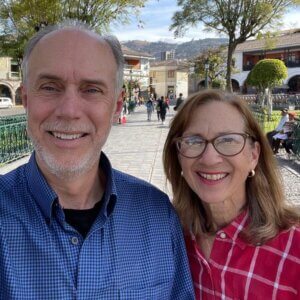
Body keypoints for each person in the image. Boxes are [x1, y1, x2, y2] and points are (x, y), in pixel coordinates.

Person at [0, 21, 194, 299]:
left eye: (91, 90)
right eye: (50, 87)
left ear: (116, 106)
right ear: (27, 99)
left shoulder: (158, 216)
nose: (69, 111)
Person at [163, 90, 300, 299]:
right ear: (179, 155)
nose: (209, 159)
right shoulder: (168, 239)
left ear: (253, 155)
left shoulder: (294, 249)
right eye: (194, 141)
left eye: (228, 140)